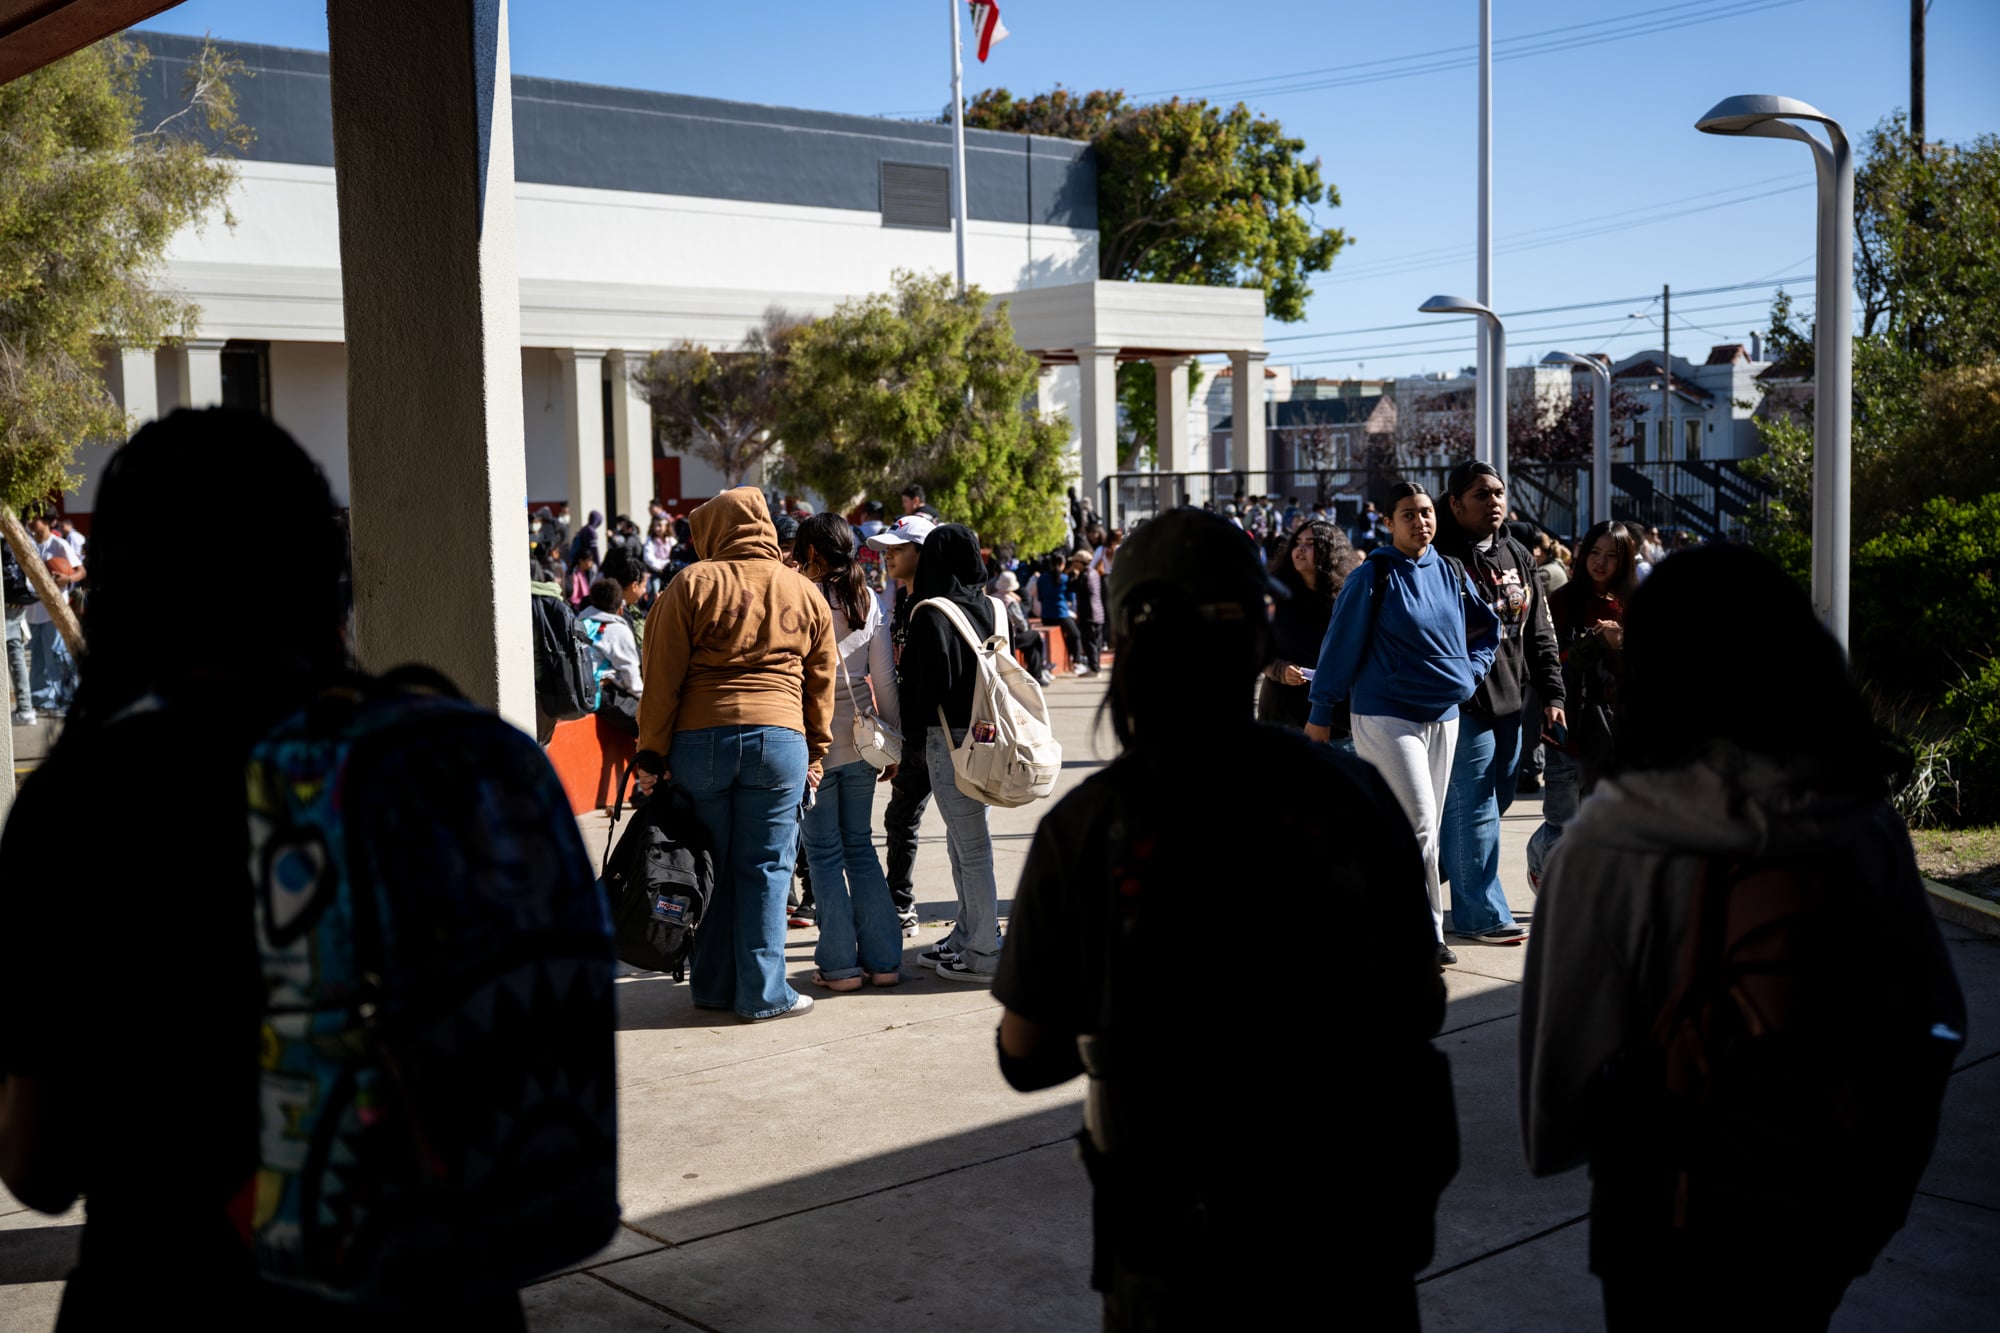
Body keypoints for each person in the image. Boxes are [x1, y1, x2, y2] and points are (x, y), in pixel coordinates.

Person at [0, 409, 551, 1325]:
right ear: (320, 567)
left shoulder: (85, 799)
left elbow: (38, 1167)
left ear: (128, 583)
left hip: (176, 1287)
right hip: (435, 1285)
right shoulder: (425, 754)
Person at [996, 508, 1455, 1329]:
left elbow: (1026, 1055)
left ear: (1129, 651)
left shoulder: (1089, 827)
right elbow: (1421, 1002)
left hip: (1177, 1263)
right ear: (1258, 639)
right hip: (1349, 1243)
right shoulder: (1348, 796)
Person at [1520, 544, 1966, 1331]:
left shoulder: (1608, 842)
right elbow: (1931, 1012)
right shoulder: (1857, 818)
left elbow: (1562, 1086)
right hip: (1823, 1198)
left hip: (1666, 1205)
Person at [632, 487, 837, 1021]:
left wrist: (650, 754)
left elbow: (661, 680)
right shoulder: (802, 590)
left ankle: (713, 985)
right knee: (768, 867)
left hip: (700, 742)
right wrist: (817, 751)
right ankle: (765, 993)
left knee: (709, 863)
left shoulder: (690, 584)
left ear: (717, 530)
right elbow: (821, 682)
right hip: (781, 740)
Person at [1305, 481, 1499, 966]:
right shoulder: (1373, 574)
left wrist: (1469, 674)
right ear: (1388, 522)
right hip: (1385, 713)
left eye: (1427, 512)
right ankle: (1422, 933)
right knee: (1416, 826)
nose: (1420, 522)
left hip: (1444, 715)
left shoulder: (1451, 571)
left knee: (1425, 828)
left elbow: (1489, 629)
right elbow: (1339, 647)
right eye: (1408, 514)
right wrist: (1320, 712)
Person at [1433, 461, 1566, 946]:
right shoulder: (1439, 556)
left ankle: (1418, 882)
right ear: (1455, 503)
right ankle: (1479, 914)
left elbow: (1539, 631)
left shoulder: (1517, 553)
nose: (1494, 501)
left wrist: (1552, 692)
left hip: (1513, 698)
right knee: (1474, 809)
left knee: (1499, 798)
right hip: (1461, 703)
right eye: (1481, 494)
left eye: (1498, 492)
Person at [791, 514, 904, 992]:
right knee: (860, 847)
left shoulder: (800, 596)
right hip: (862, 739)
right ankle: (884, 962)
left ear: (814, 553)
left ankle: (838, 968)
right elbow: (883, 679)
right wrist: (894, 740)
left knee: (822, 853)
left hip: (810, 740)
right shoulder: (867, 598)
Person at [903, 523, 1006, 982]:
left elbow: (929, 688)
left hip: (947, 738)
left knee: (972, 845)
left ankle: (984, 949)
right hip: (986, 734)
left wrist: (908, 740)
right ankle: (967, 934)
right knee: (964, 838)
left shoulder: (930, 613)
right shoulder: (992, 607)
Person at [1525, 520, 1638, 888]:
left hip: (1612, 735)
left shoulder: (1632, 606)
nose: (1601, 563)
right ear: (1583, 553)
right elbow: (1545, 659)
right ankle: (1543, 866)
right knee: (1561, 822)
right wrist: (1585, 646)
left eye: (1611, 556)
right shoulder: (1562, 600)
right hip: (1565, 726)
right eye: (1595, 553)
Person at [867, 514, 936, 936]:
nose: (889, 555)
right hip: (912, 735)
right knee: (900, 818)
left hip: (940, 734)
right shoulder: (902, 602)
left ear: (922, 553)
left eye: (898, 548)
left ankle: (978, 926)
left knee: (964, 832)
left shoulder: (934, 603)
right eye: (887, 549)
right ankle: (900, 904)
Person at [1257, 519, 1357, 733]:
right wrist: (1279, 670)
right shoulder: (1276, 595)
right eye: (1298, 542)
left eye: (1311, 543)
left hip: (1336, 718)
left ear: (1330, 552)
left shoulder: (1348, 598)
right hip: (1281, 713)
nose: (1301, 548)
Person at [22, 511, 79, 714]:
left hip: (53, 609)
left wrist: (67, 578)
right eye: (27, 519)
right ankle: (42, 700)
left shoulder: (59, 544)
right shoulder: (26, 545)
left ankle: (67, 700)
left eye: (33, 519)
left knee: (57, 656)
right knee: (37, 659)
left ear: (46, 521)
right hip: (32, 610)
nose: (29, 523)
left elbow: (81, 570)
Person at [578, 577, 643, 702]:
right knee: (646, 715)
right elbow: (630, 674)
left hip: (578, 689)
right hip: (599, 693)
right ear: (620, 609)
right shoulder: (618, 630)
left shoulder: (579, 622)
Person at [992, 571, 1051, 686]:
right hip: (1010, 638)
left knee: (1031, 644)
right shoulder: (1011, 602)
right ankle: (1038, 673)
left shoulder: (991, 598)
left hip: (996, 637)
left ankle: (1036, 673)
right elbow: (1022, 625)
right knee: (1035, 636)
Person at [1034, 550, 1081, 670]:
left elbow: (1040, 597)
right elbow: (1070, 597)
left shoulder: (1042, 578)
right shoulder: (1064, 578)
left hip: (1046, 615)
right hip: (1061, 613)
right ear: (1062, 564)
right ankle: (1076, 661)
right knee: (1075, 635)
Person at [4, 541, 33, 726]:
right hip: (18, 599)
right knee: (16, 655)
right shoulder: (16, 537)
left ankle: (25, 708)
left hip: (7, 604)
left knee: (15, 655)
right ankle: (25, 708)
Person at [1068, 549, 1104, 676]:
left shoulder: (1084, 575)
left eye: (1074, 562)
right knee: (1097, 643)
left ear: (1080, 563)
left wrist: (1072, 574)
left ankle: (1094, 669)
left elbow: (1072, 587)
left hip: (1089, 614)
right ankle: (1096, 667)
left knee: (1090, 643)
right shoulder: (1094, 573)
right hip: (1098, 613)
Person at [642, 515, 675, 595]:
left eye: (660, 525)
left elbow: (674, 557)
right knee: (655, 591)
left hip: (670, 571)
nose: (657, 528)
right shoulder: (650, 540)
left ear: (666, 526)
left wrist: (667, 566)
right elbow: (648, 557)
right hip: (655, 572)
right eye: (655, 525)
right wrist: (660, 567)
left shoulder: (671, 540)